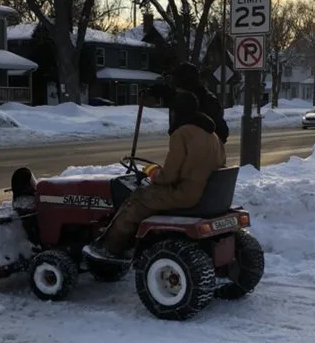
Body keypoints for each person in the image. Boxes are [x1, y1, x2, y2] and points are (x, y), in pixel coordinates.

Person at [85, 91, 226, 259]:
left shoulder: (182, 133)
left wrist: (154, 174)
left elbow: (169, 175)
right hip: (207, 192)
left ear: (177, 111)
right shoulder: (212, 134)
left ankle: (110, 248)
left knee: (137, 198)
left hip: (185, 193)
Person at [146, 62, 229, 145]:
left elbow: (222, 132)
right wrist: (152, 91)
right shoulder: (182, 96)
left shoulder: (207, 101)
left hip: (201, 149)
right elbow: (167, 92)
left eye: (177, 85)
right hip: (186, 146)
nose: (176, 89)